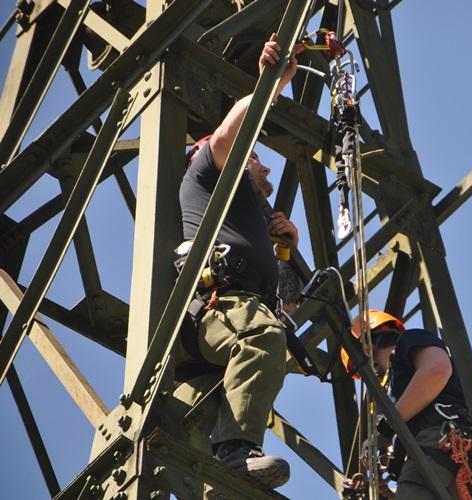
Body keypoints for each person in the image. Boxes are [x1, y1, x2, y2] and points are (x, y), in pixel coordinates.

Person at [172, 33, 301, 494]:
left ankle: (221, 477)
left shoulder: (252, 218)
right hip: (219, 306)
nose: (265, 169)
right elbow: (231, 133)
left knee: (265, 337)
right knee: (261, 337)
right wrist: (271, 83)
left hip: (236, 313)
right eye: (257, 160)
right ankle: (235, 452)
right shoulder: (206, 173)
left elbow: (288, 307)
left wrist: (285, 250)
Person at [341, 311, 472, 500]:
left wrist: (388, 427)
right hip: (439, 464)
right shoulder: (394, 392)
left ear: (368, 348)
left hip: (440, 444)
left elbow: (437, 370)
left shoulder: (409, 341)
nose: (374, 376)